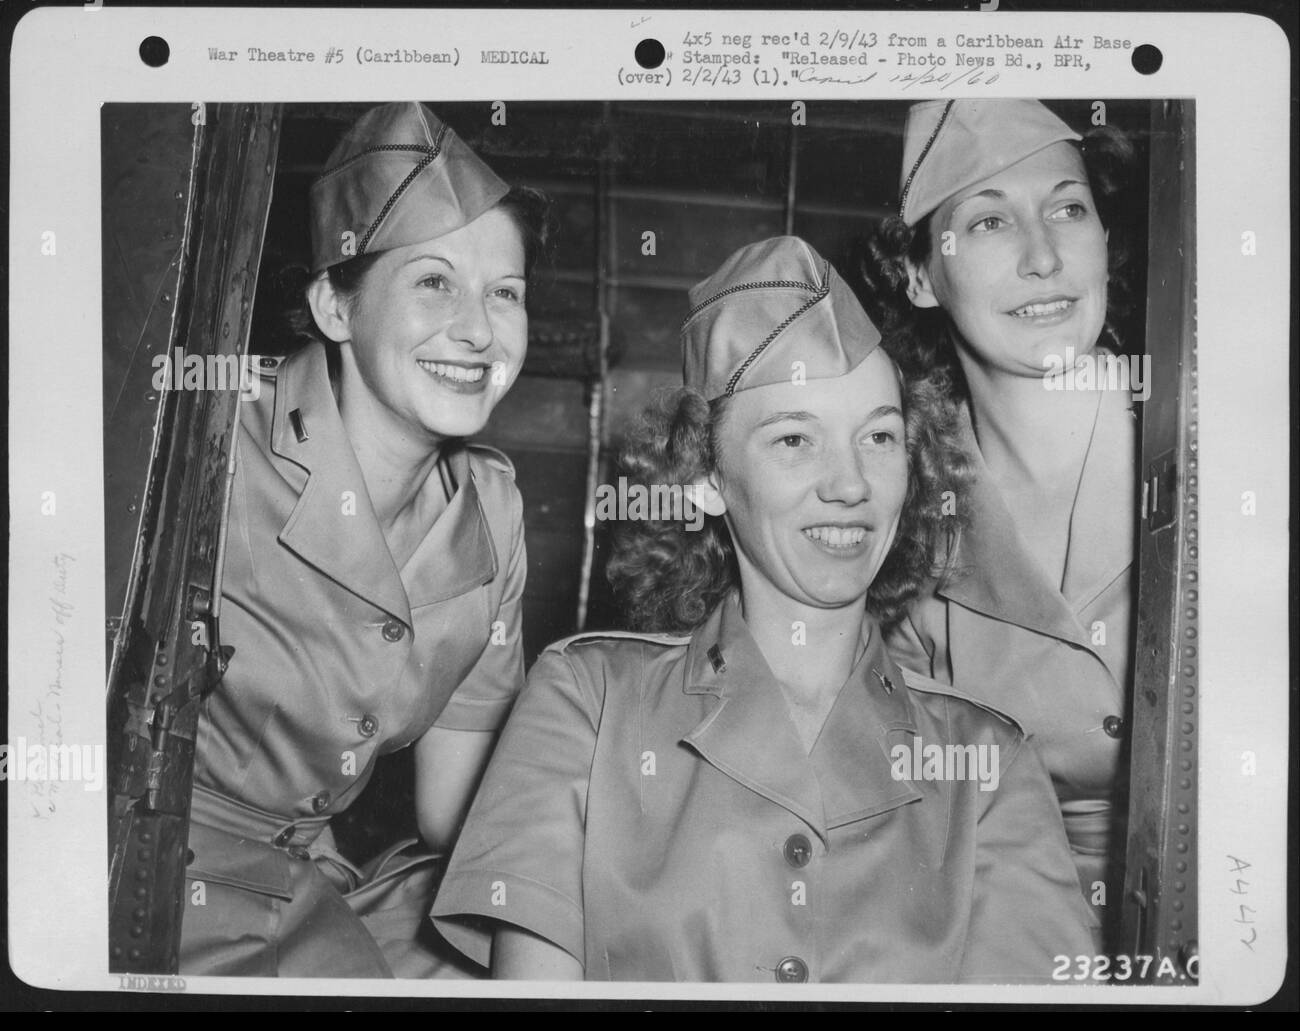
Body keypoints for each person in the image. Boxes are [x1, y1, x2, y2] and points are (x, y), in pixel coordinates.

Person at [431, 237, 1096, 983]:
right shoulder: (585, 701)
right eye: (794, 439)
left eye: (878, 436)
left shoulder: (990, 763)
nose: (850, 484)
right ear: (706, 478)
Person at [179, 102, 548, 977]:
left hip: (319, 876)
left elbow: (453, 812)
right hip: (163, 861)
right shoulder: (209, 446)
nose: (478, 328)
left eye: (506, 293)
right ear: (334, 307)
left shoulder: (491, 513)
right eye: (433, 282)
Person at [864, 99, 1140, 935]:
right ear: (919, 276)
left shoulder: (1213, 442)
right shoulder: (896, 517)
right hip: (1010, 922)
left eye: (1068, 208)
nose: (1044, 256)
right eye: (988, 222)